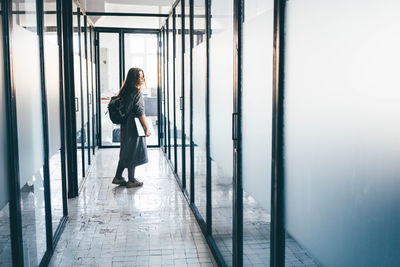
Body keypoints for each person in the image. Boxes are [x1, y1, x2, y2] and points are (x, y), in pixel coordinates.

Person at [112, 67, 151, 188]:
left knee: (126, 150)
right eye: (140, 76)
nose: (142, 79)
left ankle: (118, 177)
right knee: (133, 151)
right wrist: (147, 127)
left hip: (125, 125)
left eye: (143, 76)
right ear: (134, 78)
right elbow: (140, 112)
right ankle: (131, 180)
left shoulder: (124, 90)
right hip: (134, 126)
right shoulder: (136, 92)